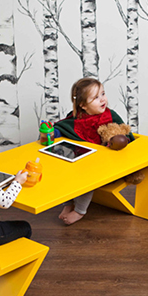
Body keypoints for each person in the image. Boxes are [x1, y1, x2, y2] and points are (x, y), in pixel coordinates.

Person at [53, 77, 134, 225]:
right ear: (83, 105)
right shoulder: (76, 119)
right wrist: (52, 133)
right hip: (82, 160)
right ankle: (67, 204)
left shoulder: (110, 115)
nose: (102, 99)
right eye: (96, 97)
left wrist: (119, 141)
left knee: (86, 179)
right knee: (66, 173)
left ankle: (79, 211)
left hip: (104, 165)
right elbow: (63, 128)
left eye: (103, 94)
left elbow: (126, 134)